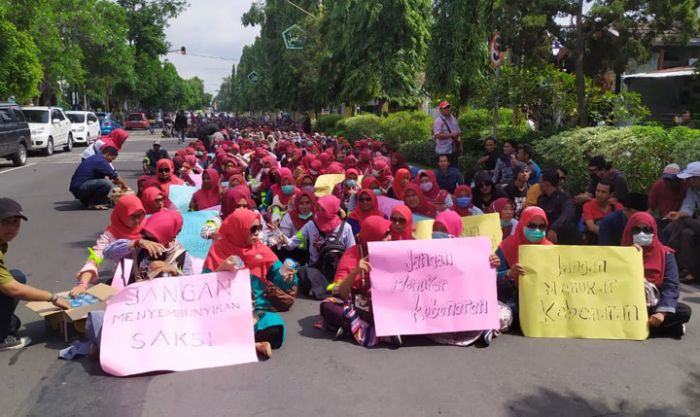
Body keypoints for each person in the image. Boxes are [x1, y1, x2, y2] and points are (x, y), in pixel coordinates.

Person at [204, 209, 298, 358]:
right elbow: (203, 286)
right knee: (209, 329)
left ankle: (237, 341)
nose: (257, 233)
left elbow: (280, 276)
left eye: (259, 228)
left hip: (257, 309)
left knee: (275, 328)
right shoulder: (218, 249)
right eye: (253, 229)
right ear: (238, 229)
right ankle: (252, 344)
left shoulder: (261, 249)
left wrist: (288, 279)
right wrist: (221, 269)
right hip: (225, 310)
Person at [0, 199, 71, 350]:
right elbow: (12, 289)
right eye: (5, 222)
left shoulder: (2, 241)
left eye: (16, 222)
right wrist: (53, 298)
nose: (11, 228)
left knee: (13, 322)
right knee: (15, 282)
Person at [320, 216, 397, 347]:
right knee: (327, 306)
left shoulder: (395, 252)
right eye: (385, 235)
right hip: (358, 305)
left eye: (390, 233)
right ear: (373, 236)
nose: (389, 238)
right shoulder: (354, 253)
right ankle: (382, 330)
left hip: (385, 303)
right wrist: (356, 271)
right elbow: (341, 293)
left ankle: (350, 328)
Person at [621, 212, 691, 338]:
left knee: (683, 311)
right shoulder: (619, 254)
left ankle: (638, 327)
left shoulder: (666, 255)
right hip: (624, 304)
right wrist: (629, 255)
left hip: (652, 305)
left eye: (647, 230)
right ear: (629, 230)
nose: (642, 234)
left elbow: (671, 286)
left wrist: (662, 313)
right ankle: (662, 329)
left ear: (654, 231)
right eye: (637, 229)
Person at [283, 195, 356, 298]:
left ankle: (325, 288)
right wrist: (281, 238)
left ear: (332, 209)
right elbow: (292, 243)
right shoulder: (310, 225)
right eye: (319, 208)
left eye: (323, 209)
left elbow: (351, 253)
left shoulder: (346, 227)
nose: (319, 211)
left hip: (338, 272)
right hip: (316, 270)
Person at [496, 206, 553, 316]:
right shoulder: (506, 247)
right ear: (522, 225)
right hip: (512, 300)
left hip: (542, 303)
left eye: (542, 226)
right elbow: (493, 278)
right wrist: (509, 274)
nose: (537, 230)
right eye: (531, 225)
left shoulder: (550, 249)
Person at [664, 161, 700, 283]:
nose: (687, 182)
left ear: (697, 178)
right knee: (686, 233)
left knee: (677, 225)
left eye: (689, 179)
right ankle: (687, 270)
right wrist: (678, 214)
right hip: (695, 223)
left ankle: (666, 259)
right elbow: (688, 208)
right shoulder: (692, 190)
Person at [537, 168, 577, 244]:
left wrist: (554, 228)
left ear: (547, 183)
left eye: (540, 182)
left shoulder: (565, 198)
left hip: (563, 237)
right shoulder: (541, 199)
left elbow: (566, 214)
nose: (539, 185)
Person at [582, 179, 622, 244]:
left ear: (611, 194)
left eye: (603, 192)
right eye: (598, 191)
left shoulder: (617, 206)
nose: (599, 194)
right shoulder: (588, 205)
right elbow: (591, 227)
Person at [648, 164, 686, 228]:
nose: (668, 183)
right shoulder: (658, 185)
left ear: (678, 179)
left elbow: (689, 208)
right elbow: (651, 209)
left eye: (671, 180)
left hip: (681, 220)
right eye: (666, 179)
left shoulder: (685, 187)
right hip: (663, 221)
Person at [432, 101, 462, 167]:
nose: (447, 109)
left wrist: (460, 145)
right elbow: (437, 135)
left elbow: (459, 132)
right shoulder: (438, 121)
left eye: (448, 107)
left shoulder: (454, 119)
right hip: (443, 151)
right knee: (444, 172)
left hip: (454, 150)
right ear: (440, 110)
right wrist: (452, 135)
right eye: (445, 108)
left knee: (454, 170)